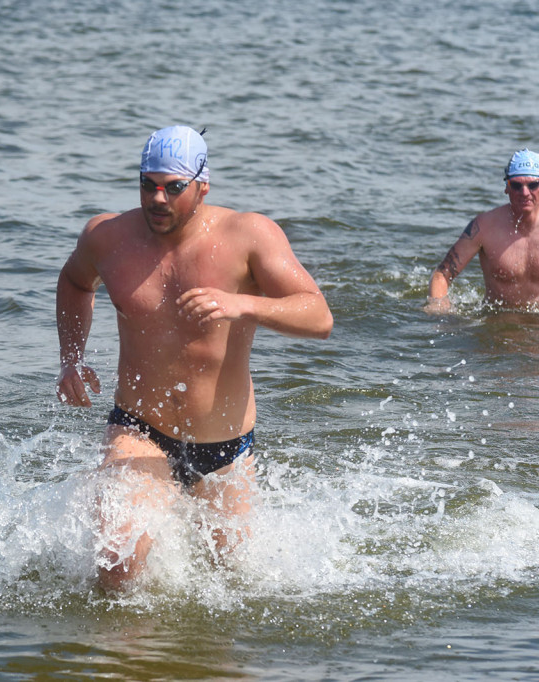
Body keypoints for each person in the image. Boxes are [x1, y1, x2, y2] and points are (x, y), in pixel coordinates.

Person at [56, 125, 333, 591]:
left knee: (235, 584)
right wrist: (71, 357)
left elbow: (318, 315)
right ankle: (125, 660)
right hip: (139, 429)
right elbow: (75, 282)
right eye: (149, 184)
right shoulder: (107, 237)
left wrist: (243, 304)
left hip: (224, 448)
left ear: (202, 186)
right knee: (116, 562)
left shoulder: (249, 235)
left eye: (173, 188)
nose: (158, 199)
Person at [424, 149, 539, 321]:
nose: (525, 193)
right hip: (498, 325)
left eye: (533, 185)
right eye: (516, 185)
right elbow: (442, 274)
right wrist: (438, 303)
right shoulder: (484, 227)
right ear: (507, 187)